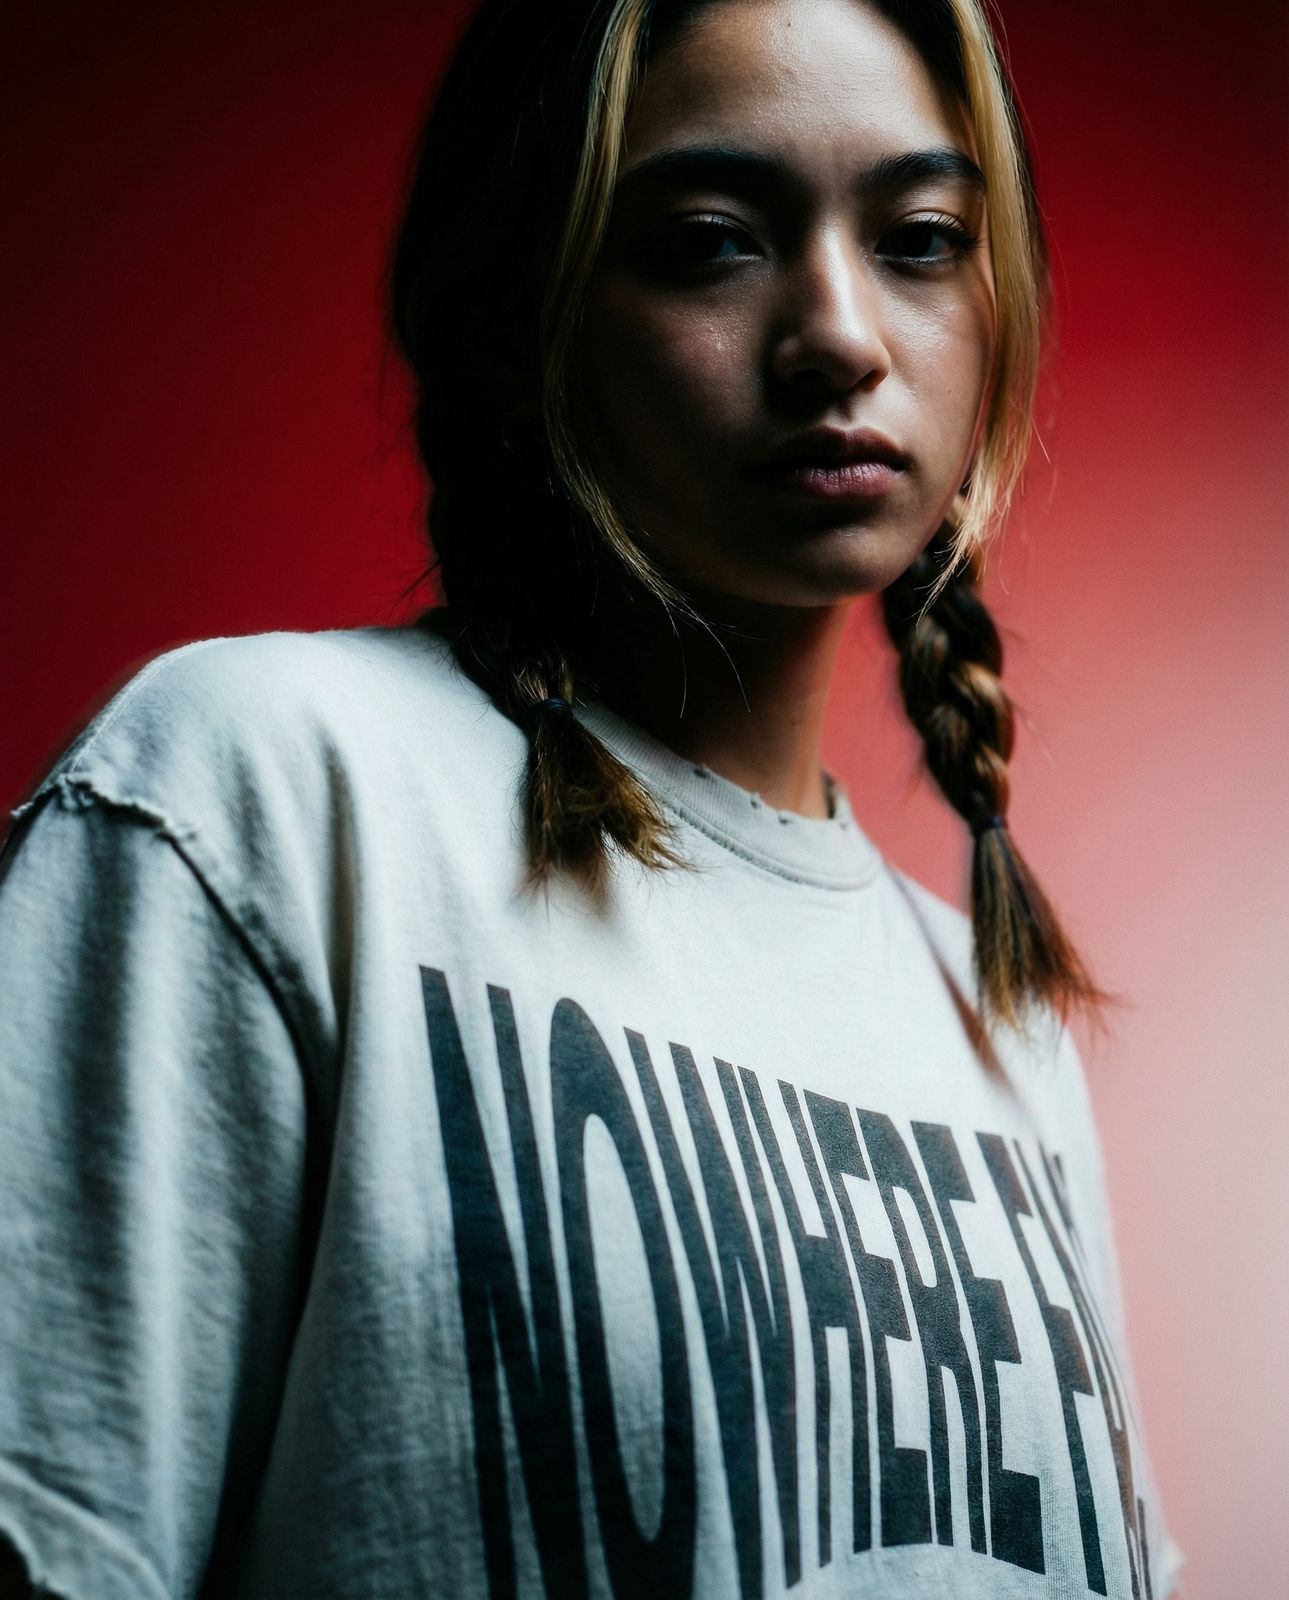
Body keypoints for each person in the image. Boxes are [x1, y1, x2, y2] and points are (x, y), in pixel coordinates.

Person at [0, 0, 1184, 1595]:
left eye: (917, 236)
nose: (840, 332)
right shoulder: (263, 793)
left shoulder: (994, 1019)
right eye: (708, 240)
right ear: (521, 305)